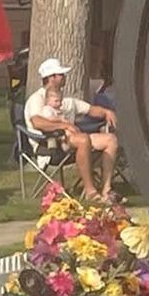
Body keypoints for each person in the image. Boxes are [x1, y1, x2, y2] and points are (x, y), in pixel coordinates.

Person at [25, 57, 119, 200]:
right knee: (83, 140)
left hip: (71, 139)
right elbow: (37, 122)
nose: (65, 76)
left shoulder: (66, 101)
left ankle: (107, 189)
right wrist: (65, 125)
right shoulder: (37, 99)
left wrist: (107, 112)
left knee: (110, 140)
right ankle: (90, 191)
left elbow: (91, 110)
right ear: (51, 77)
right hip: (49, 144)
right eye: (61, 74)